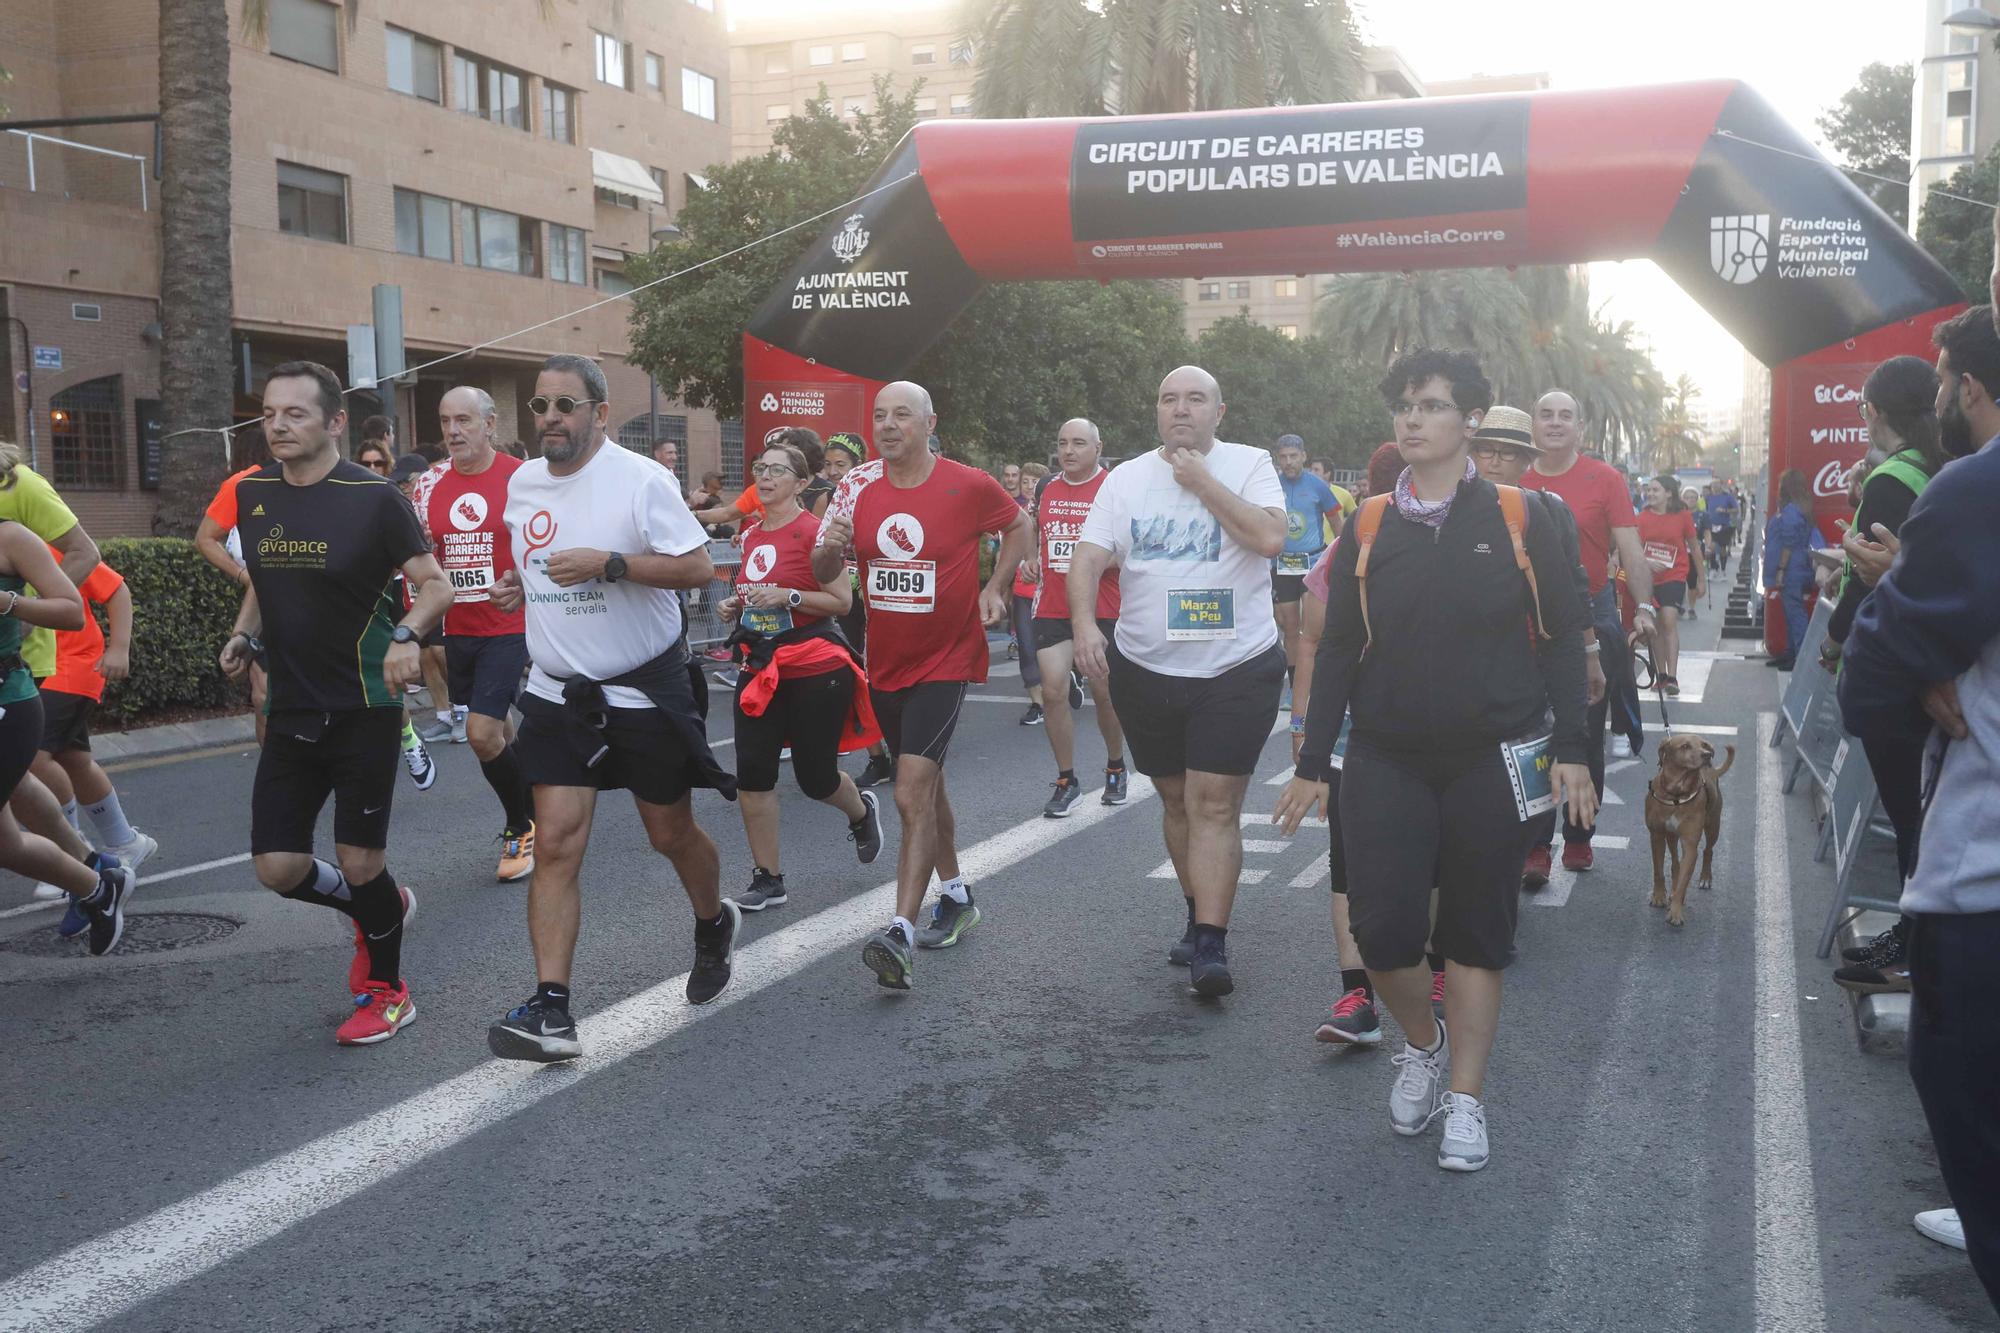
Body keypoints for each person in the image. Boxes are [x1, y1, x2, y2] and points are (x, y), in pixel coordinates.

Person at [1276, 349, 1593, 1173]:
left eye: (1430, 405)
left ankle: (1466, 1097)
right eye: (1404, 406)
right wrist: (1313, 759)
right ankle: (1422, 1042)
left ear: (1470, 421)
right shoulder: (1370, 522)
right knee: (1382, 932)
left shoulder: (1522, 517)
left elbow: (1563, 638)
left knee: (1478, 936)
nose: (1411, 419)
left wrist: (1573, 750)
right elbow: (1339, 642)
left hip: (1493, 754)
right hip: (1384, 754)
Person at [482, 355, 737, 1062]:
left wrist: (611, 564)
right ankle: (552, 1009)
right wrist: (518, 583)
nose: (551, 419)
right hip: (560, 694)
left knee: (669, 833)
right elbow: (535, 559)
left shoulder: (641, 479)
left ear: (597, 411)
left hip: (642, 690)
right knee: (557, 841)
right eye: (540, 406)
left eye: (566, 404)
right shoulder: (523, 483)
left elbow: (697, 565)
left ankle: (714, 919)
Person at [1838, 318, 2000, 1315]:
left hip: (1981, 887)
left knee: (1966, 1103)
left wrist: (1909, 646)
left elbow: (1870, 671)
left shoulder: (1972, 487)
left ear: (1967, 388)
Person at [218, 362, 451, 1045]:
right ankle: (378, 906)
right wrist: (242, 634)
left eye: (295, 412)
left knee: (359, 860)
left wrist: (408, 635)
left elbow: (434, 587)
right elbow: (264, 576)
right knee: (277, 867)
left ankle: (389, 990)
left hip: (364, 706)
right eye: (269, 413)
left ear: (335, 422)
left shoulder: (375, 498)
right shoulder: (255, 492)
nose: (279, 425)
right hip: (290, 705)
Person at [1070, 366, 1287, 997]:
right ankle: (1197, 915)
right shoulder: (1126, 477)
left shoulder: (1248, 464)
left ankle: (1213, 945)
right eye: (1169, 399)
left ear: (1220, 412)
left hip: (1235, 667)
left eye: (1196, 400)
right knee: (1174, 800)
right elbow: (1088, 554)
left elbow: (1270, 537)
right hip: (1145, 667)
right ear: (1157, 411)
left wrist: (1201, 481)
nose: (1181, 410)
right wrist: (1086, 625)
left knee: (1214, 804)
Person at [812, 380, 1031, 990]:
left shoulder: (967, 484)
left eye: (901, 415)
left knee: (911, 790)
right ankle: (956, 895)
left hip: (948, 658)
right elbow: (826, 568)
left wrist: (996, 587)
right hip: (884, 660)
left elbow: (1020, 527)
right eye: (879, 415)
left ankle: (899, 932)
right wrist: (830, 551)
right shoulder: (856, 490)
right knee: (926, 787)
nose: (887, 425)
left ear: (929, 423)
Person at [718, 439, 885, 911]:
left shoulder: (816, 532)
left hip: (815, 664)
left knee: (815, 779)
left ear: (802, 482)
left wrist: (788, 598)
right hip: (760, 664)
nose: (765, 478)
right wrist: (737, 605)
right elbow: (756, 593)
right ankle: (768, 879)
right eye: (759, 468)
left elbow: (841, 603)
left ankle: (860, 812)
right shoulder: (749, 534)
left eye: (777, 470)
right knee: (753, 776)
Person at [1466, 408, 1602, 893]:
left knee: (1540, 756)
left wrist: (1589, 653)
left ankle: (1543, 844)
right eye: (1485, 449)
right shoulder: (1440, 508)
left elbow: (1573, 593)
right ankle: (1526, 851)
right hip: (1468, 677)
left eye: (1506, 453)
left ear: (1526, 461)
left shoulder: (1544, 510)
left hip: (1535, 662)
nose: (1493, 461)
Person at [1519, 390, 1655, 873]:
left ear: (1581, 427)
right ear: (1532, 423)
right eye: (1546, 414)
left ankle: (1579, 834)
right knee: (1530, 732)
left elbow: (1631, 549)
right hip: (1523, 615)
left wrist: (1645, 608)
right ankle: (1536, 844)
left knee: (1583, 731)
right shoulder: (1515, 475)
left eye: (1565, 416)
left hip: (1590, 615)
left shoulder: (1606, 479)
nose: (1555, 423)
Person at [406, 386, 538, 882]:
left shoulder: (523, 478)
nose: (453, 431)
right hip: (458, 628)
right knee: (500, 727)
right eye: (445, 421)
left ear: (490, 425)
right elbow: (420, 554)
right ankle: (536, 798)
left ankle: (518, 825)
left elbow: (553, 538)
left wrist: (524, 581)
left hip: (511, 623)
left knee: (481, 734)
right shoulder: (429, 484)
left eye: (463, 420)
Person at [0, 520, 130, 952]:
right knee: (9, 836)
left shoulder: (11, 536)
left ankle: (99, 873)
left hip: (12, 698)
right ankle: (97, 881)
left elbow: (74, 610)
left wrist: (7, 602)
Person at [32, 546, 158, 935]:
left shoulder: (48, 543)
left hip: (73, 665)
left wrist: (119, 646)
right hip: (32, 669)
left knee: (32, 758)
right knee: (73, 759)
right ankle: (125, 842)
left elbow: (115, 589)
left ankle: (66, 851)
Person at [1027, 418, 1127, 816]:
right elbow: (1038, 532)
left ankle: (1116, 765)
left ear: (1098, 449)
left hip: (1101, 606)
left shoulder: (1113, 488)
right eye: (1063, 443)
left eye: (1079, 444)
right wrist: (1031, 560)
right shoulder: (1046, 486)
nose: (1069, 451)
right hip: (1052, 604)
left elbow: (1128, 549)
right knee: (1053, 691)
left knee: (1104, 693)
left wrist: (1091, 562)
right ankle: (1066, 779)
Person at [821, 432, 894, 788]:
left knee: (883, 673)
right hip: (845, 599)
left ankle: (901, 749)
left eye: (842, 465)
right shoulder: (830, 497)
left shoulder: (875, 489)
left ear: (858, 465)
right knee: (857, 672)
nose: (834, 472)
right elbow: (819, 547)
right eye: (829, 465)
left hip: (882, 596)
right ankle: (878, 756)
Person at [196, 426, 274, 745]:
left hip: (319, 609)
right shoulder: (244, 481)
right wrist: (245, 576)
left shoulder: (322, 478)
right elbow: (204, 538)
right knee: (265, 696)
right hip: (265, 607)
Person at [1271, 434, 1340, 703]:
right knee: (1289, 626)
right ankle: (1294, 685)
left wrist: (1342, 558)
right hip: (1283, 564)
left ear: (1303, 456)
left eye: (1293, 456)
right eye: (1283, 457)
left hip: (1312, 563)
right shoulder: (1272, 486)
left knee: (1313, 628)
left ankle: (1315, 680)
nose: (1288, 462)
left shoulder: (1318, 486)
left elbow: (1337, 523)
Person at [1636, 475, 1703, 696]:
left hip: (1675, 575)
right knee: (1654, 627)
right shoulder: (1642, 517)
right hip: (1647, 579)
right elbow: (1633, 549)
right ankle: (1661, 674)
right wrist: (1646, 562)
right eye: (1649, 490)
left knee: (1668, 621)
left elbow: (1694, 547)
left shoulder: (1682, 516)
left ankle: (1672, 676)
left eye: (1656, 490)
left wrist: (1701, 579)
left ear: (1669, 493)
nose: (1651, 494)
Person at [1762, 469, 1820, 670]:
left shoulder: (1791, 511)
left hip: (1792, 568)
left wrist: (1780, 568)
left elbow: (1789, 541)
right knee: (1791, 611)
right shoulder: (1799, 507)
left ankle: (1800, 658)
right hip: (1798, 566)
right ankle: (1791, 652)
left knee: (1795, 613)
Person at [1010, 461, 1050, 726]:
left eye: (1034, 481)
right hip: (1022, 589)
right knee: (1026, 646)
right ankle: (1037, 703)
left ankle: (1067, 679)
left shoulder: (1054, 510)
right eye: (1025, 481)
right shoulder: (1014, 512)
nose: (1028, 486)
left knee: (1050, 648)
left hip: (1051, 591)